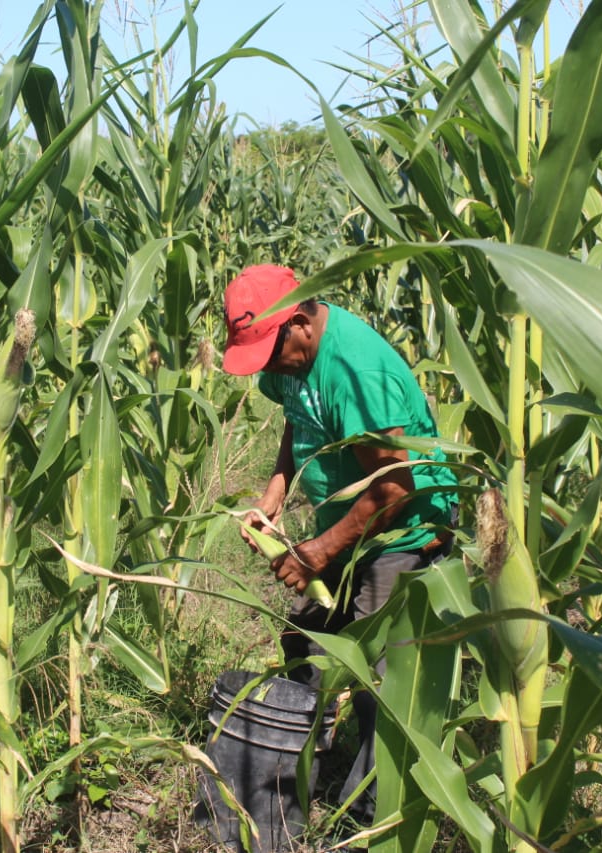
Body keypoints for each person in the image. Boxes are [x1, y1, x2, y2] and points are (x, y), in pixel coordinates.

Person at [221, 263, 459, 825]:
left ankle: (371, 815)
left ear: (299, 323)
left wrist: (319, 552)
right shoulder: (289, 357)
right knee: (306, 644)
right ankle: (294, 783)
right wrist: (274, 494)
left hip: (406, 526)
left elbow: (396, 487)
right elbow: (293, 415)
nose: (270, 366)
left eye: (271, 352)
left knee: (385, 673)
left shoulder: (356, 370)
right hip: (353, 522)